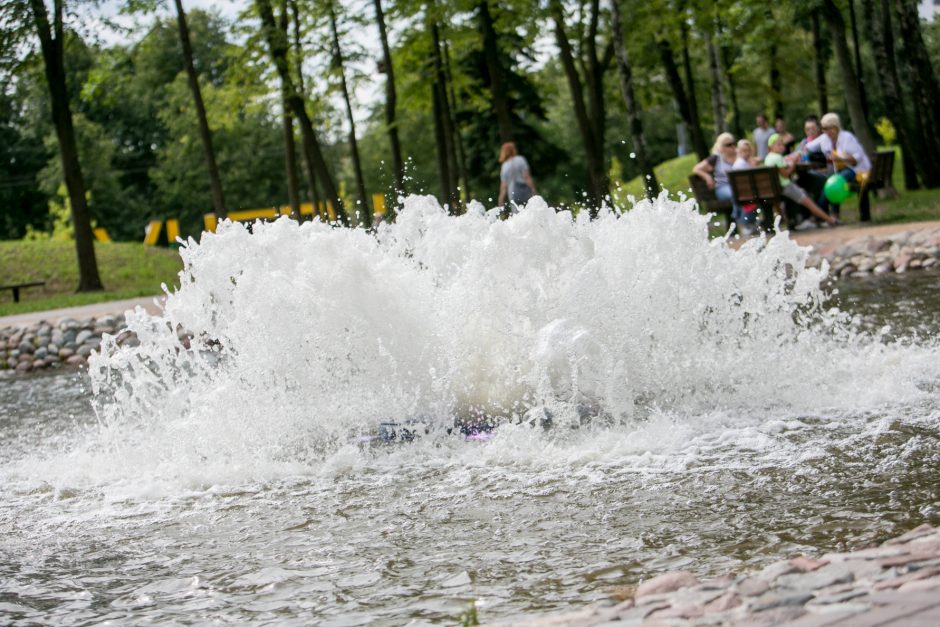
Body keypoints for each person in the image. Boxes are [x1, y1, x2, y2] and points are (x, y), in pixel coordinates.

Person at [803, 112, 872, 217]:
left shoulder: (847, 138)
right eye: (824, 129)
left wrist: (839, 157)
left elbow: (856, 160)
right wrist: (798, 154)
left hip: (856, 169)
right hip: (840, 170)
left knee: (833, 182)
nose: (825, 132)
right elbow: (807, 147)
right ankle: (832, 215)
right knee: (831, 182)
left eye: (828, 128)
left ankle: (817, 215)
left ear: (835, 127)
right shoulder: (825, 138)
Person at [765, 133, 839, 229]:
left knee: (803, 192)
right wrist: (794, 163)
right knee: (808, 201)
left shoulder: (769, 158)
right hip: (785, 187)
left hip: (776, 188)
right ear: (771, 147)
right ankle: (830, 220)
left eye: (782, 144)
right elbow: (786, 174)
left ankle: (807, 219)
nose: (781, 147)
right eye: (778, 144)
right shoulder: (778, 158)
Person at [693, 132, 753, 232]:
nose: (733, 147)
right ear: (721, 146)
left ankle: (746, 222)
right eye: (729, 145)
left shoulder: (739, 156)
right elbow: (697, 169)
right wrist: (707, 176)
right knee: (736, 193)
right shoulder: (716, 159)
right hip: (722, 188)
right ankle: (741, 221)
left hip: (739, 187)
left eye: (733, 143)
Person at [497, 142, 536, 215]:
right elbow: (526, 177)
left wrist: (501, 199)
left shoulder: (504, 166)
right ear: (513, 150)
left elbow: (503, 186)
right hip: (525, 192)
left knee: (517, 217)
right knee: (530, 214)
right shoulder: (520, 159)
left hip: (513, 195)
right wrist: (533, 189)